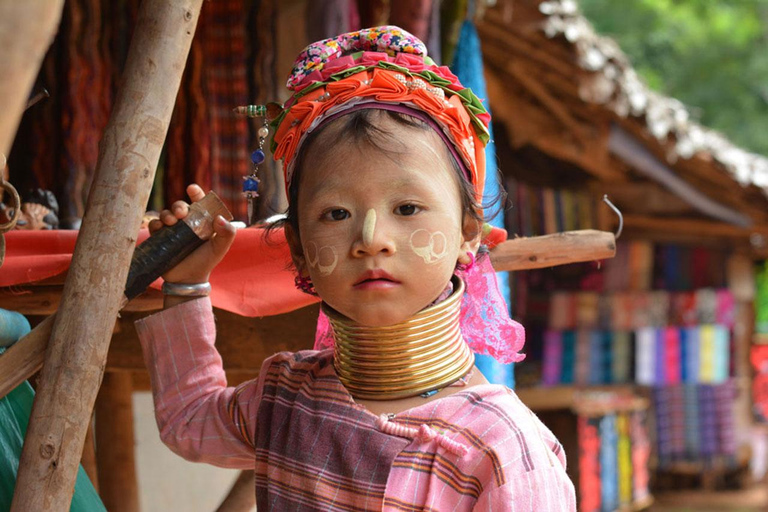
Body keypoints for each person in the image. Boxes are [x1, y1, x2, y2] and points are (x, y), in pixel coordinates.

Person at [137, 26, 576, 510]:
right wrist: (185, 283)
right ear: (298, 248)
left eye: (407, 208)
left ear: (468, 235)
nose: (370, 240)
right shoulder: (286, 398)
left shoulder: (501, 452)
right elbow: (192, 423)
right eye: (336, 214)